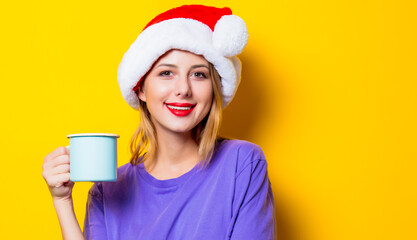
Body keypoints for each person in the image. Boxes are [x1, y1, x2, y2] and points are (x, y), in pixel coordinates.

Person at [43, 4, 277, 240]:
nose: (183, 89)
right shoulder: (106, 190)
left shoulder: (242, 164)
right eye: (166, 73)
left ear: (213, 89)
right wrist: (62, 200)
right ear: (141, 88)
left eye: (199, 74)